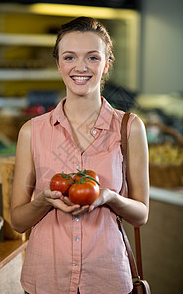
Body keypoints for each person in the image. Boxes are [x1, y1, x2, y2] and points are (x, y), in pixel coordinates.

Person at [11, 17, 149, 294]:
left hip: (106, 277)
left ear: (106, 64)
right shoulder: (32, 131)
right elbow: (18, 220)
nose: (81, 67)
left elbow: (141, 214)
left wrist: (109, 197)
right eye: (70, 57)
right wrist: (44, 202)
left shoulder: (130, 128)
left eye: (93, 57)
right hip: (45, 278)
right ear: (59, 64)